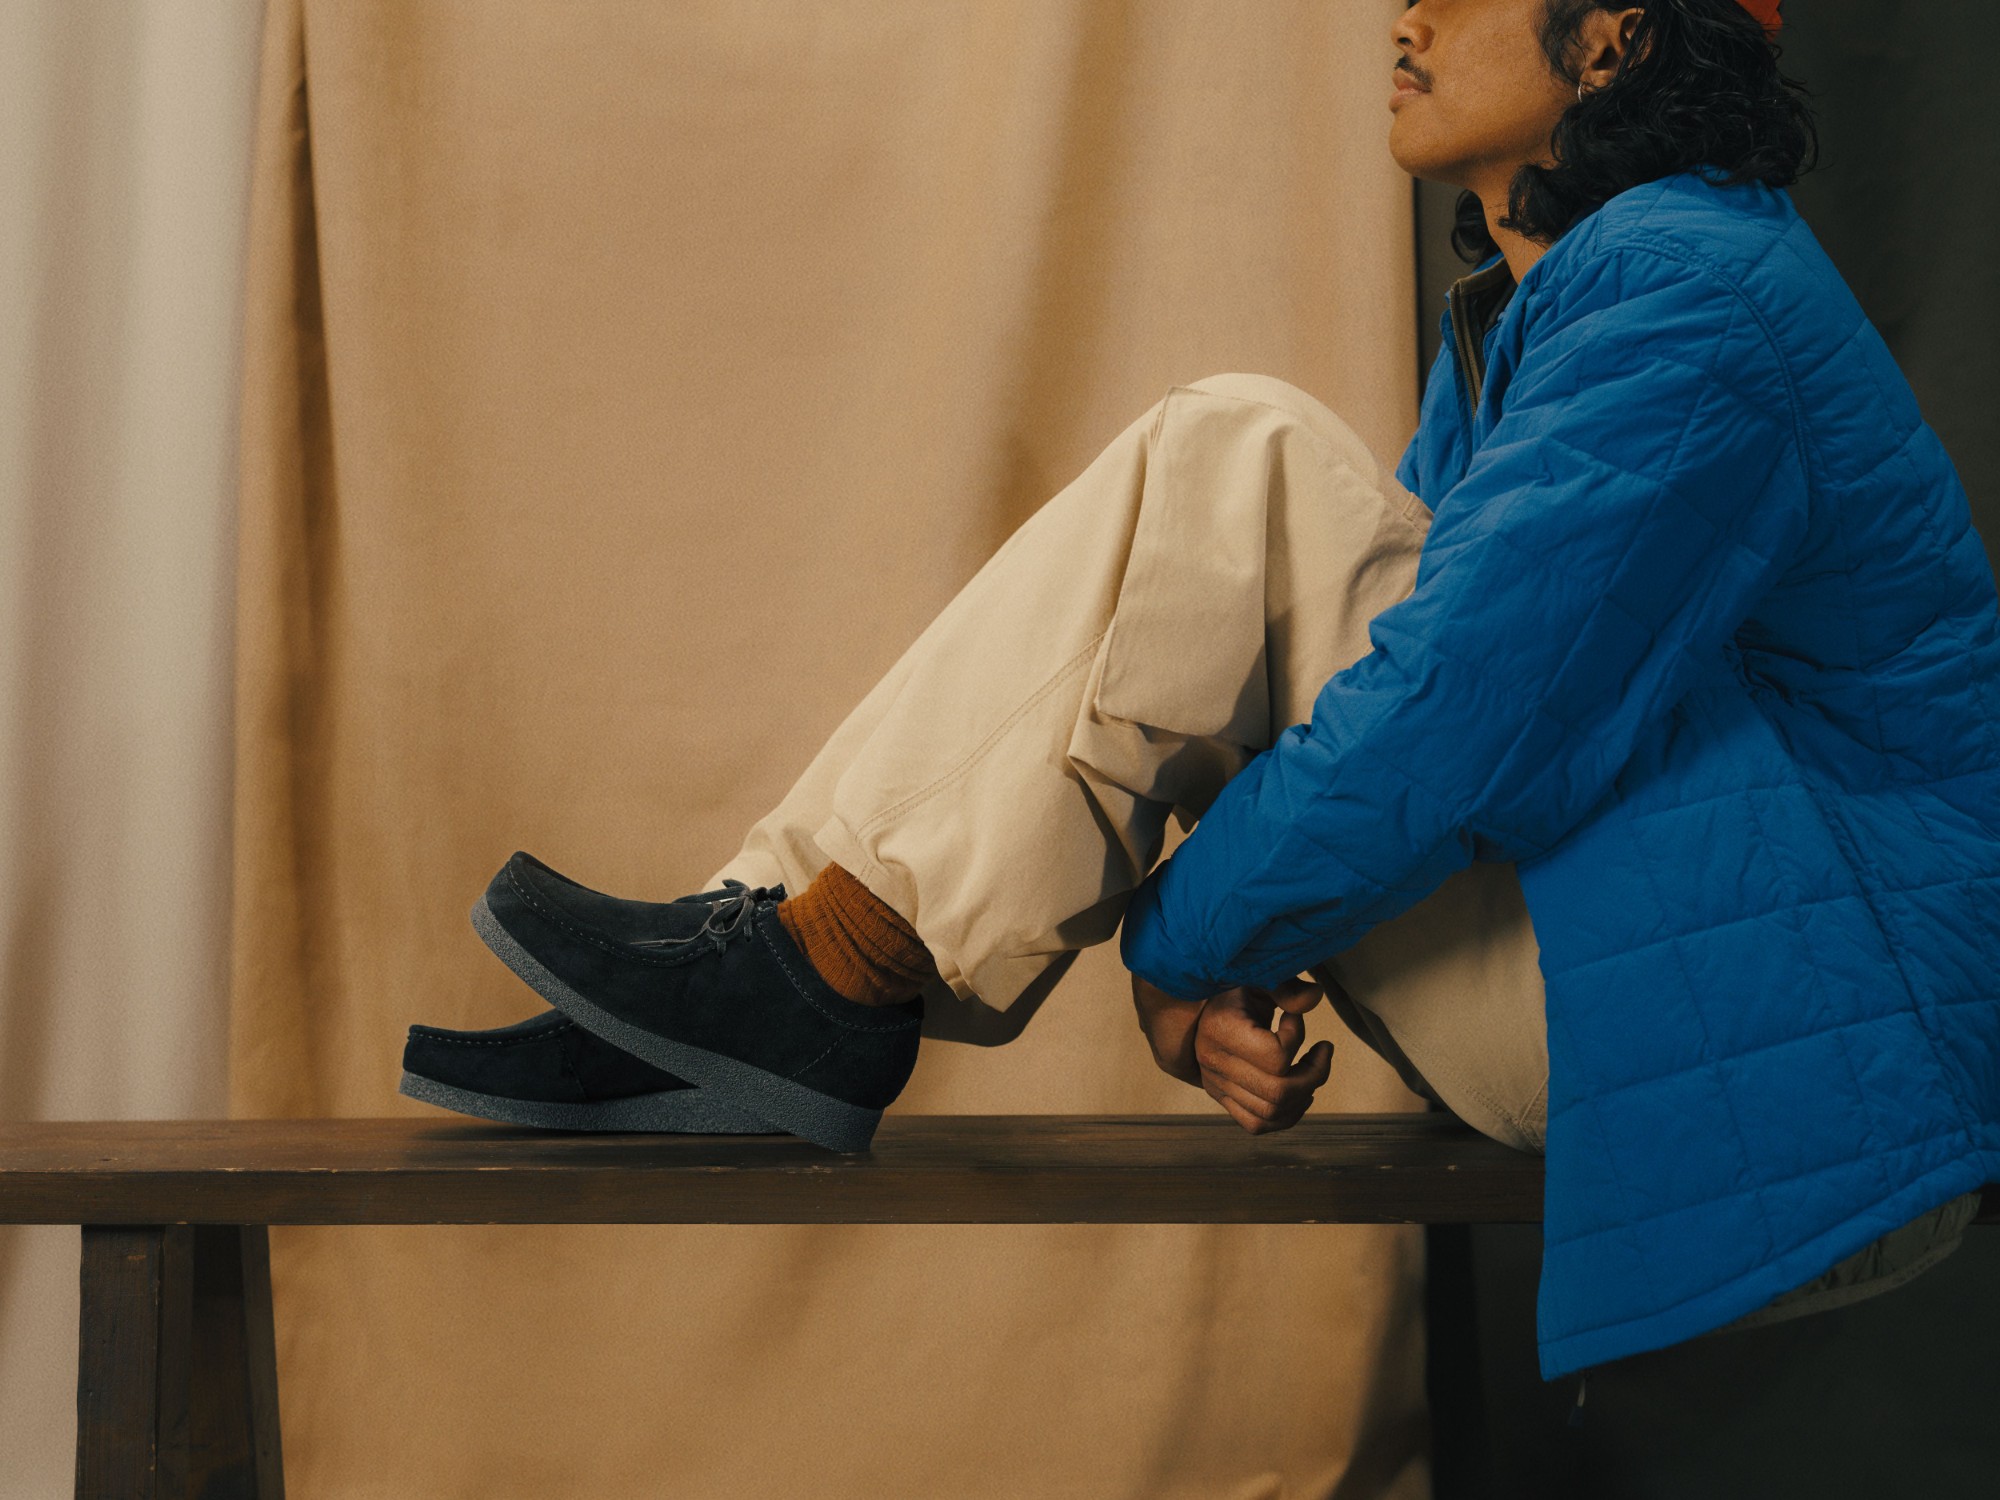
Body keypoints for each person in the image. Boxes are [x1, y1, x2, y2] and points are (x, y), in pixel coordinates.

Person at [399, 0, 2000, 1381]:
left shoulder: (1694, 295)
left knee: (1242, 452)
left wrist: (1181, 947)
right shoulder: (1557, 307)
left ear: (1614, 41)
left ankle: (811, 974)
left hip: (1806, 1053)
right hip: (1672, 986)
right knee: (1247, 514)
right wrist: (1226, 932)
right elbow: (1410, 717)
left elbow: (1454, 725)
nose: (1405, 18)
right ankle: (775, 956)